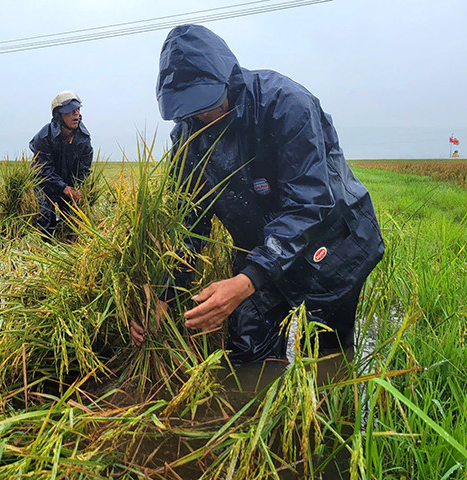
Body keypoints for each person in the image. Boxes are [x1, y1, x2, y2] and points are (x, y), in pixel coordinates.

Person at [130, 24, 384, 363]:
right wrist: (165, 295)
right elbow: (190, 221)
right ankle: (259, 408)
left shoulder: (286, 104)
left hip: (332, 243)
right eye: (189, 111)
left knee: (323, 355)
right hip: (258, 247)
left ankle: (326, 409)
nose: (199, 118)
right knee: (248, 350)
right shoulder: (188, 138)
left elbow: (308, 203)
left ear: (228, 80)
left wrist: (249, 280)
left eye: (205, 104)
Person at [29, 91, 93, 238]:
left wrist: (78, 189)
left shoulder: (84, 139)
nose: (76, 115)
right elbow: (43, 170)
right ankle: (43, 248)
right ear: (59, 115)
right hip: (44, 184)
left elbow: (84, 170)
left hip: (68, 185)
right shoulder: (44, 137)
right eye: (70, 111)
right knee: (47, 218)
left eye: (77, 110)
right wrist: (63, 188)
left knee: (73, 221)